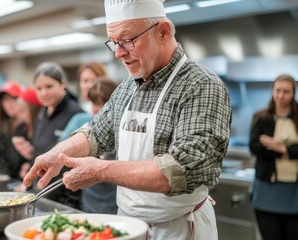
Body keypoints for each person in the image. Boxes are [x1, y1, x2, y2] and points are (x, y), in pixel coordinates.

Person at [23, 0, 232, 239]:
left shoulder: (201, 85)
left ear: (162, 32)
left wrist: (100, 170)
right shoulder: (127, 88)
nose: (119, 53)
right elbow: (96, 132)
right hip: (129, 226)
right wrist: (57, 155)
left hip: (180, 228)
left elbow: (183, 168)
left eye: (127, 40)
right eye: (114, 43)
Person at [17, 62, 84, 209]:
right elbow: (40, 150)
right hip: (41, 191)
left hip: (65, 196)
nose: (43, 93)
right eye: (39, 88)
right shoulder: (43, 112)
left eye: (49, 87)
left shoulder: (76, 114)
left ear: (63, 84)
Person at [249, 74, 298, 240]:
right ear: (272, 91)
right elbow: (254, 147)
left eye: (286, 91)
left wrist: (284, 149)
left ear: (293, 93)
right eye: (278, 91)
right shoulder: (261, 118)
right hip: (266, 192)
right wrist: (284, 151)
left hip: (294, 193)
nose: (281, 96)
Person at [79, 77, 119, 214]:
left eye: (103, 103)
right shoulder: (87, 127)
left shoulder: (121, 131)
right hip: (89, 199)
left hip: (113, 201)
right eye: (94, 103)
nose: (97, 109)